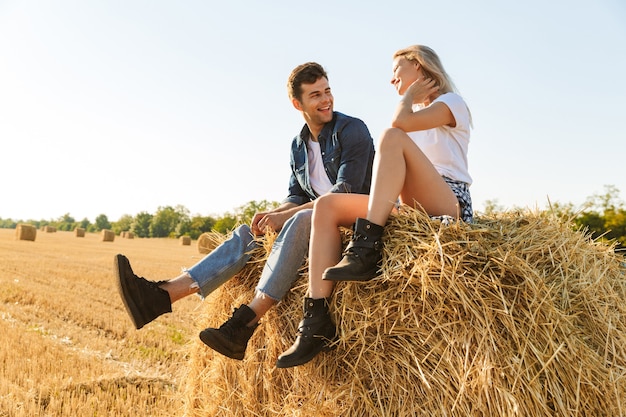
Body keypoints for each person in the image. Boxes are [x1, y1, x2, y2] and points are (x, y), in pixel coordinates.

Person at [115, 61, 375, 361]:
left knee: (304, 217)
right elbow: (296, 196)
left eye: (327, 91)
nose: (326, 99)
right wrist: (273, 214)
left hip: (353, 220)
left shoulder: (350, 129)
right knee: (249, 233)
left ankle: (247, 320)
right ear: (297, 103)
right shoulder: (298, 146)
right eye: (315, 94)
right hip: (315, 219)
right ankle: (163, 295)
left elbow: (345, 191)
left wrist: (288, 215)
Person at [276, 45, 473, 368]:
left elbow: (399, 124)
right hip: (409, 209)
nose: (391, 80)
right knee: (326, 206)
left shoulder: (452, 103)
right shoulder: (416, 116)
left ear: (419, 68)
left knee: (390, 137)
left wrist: (408, 98)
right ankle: (315, 320)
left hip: (447, 203)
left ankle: (365, 247)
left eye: (397, 72)